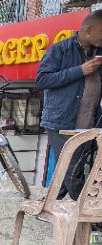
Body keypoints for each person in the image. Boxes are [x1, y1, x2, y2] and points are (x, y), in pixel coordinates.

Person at [37, 10, 102, 198]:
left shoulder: (99, 53)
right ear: (88, 30)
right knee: (72, 171)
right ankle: (86, 217)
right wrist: (80, 70)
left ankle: (50, 203)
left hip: (90, 124)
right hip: (60, 123)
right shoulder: (60, 49)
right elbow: (42, 80)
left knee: (71, 167)